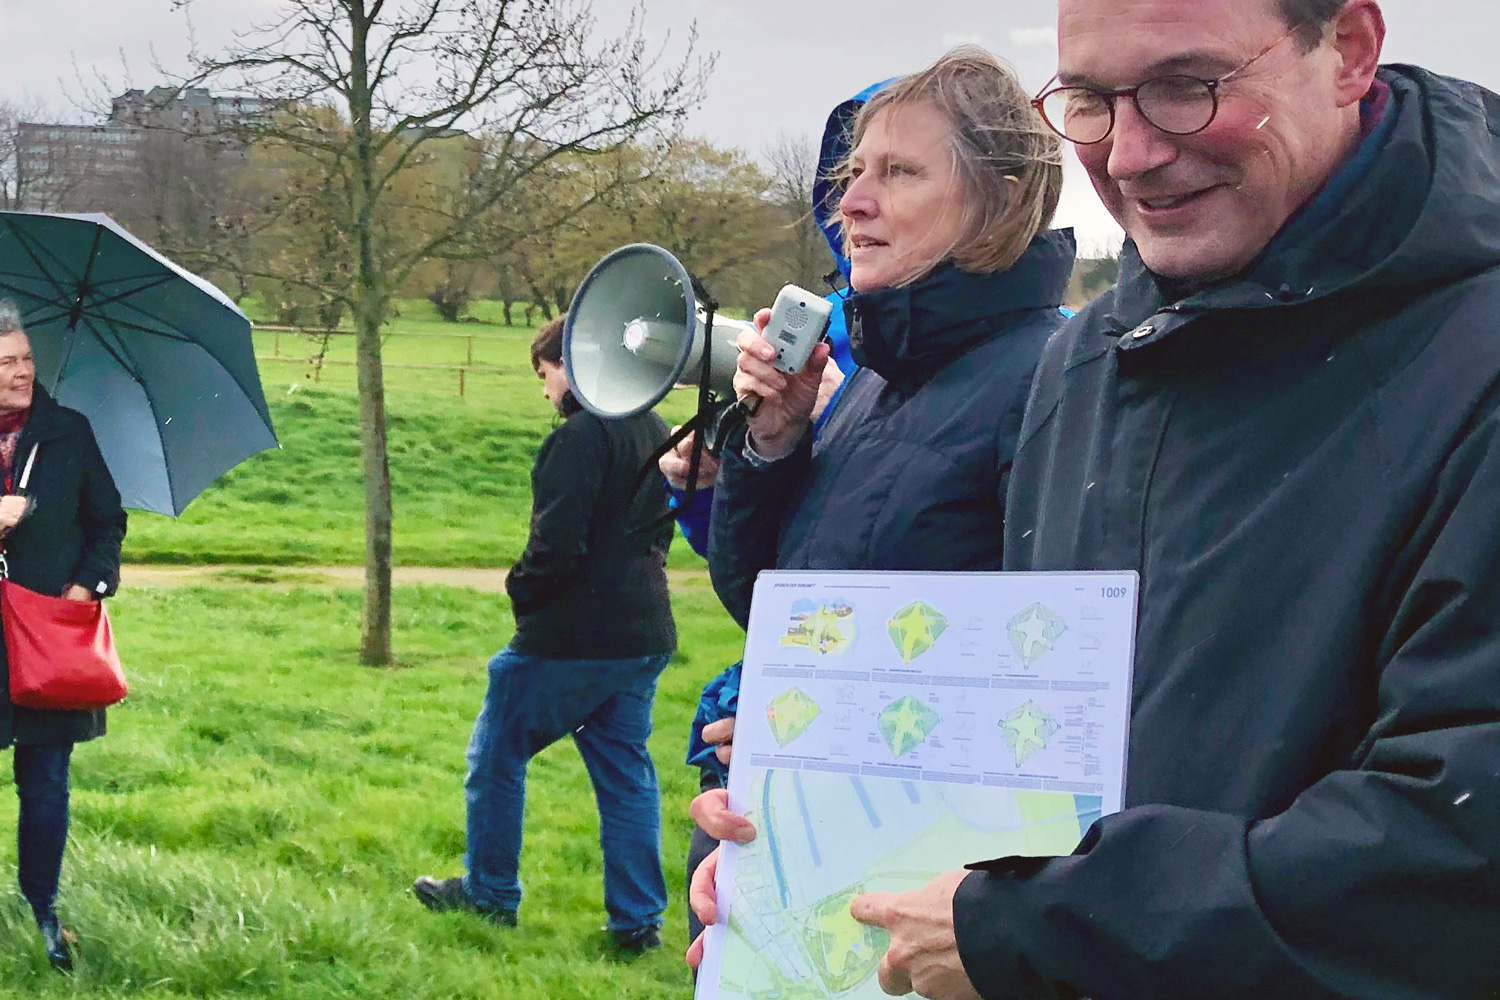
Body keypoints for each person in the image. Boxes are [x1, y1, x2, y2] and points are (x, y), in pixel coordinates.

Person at [838, 2, 1500, 998]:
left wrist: (1044, 931)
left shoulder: (1476, 363)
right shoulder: (1085, 360)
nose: (1133, 154)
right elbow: (1037, 738)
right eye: (1091, 101)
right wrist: (817, 843)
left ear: (1349, 52)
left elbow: (1460, 855)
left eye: (1187, 87)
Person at [686, 44, 1075, 961]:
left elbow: (1059, 695)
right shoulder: (873, 381)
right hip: (818, 860)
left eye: (896, 172)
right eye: (852, 174)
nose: (849, 204)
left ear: (1002, 196)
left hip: (938, 911)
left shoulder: (1058, 383)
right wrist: (774, 440)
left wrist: (837, 744)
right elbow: (766, 603)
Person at [413, 316, 677, 954]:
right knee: (625, 774)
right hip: (643, 633)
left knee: (496, 761)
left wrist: (520, 591)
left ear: (572, 362)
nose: (545, 390)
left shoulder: (578, 438)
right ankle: (637, 923)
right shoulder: (659, 429)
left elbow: (554, 547)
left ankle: (490, 894)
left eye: (545, 373)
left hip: (568, 639)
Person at [0, 300, 127, 973]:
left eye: (26, 359)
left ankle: (43, 908)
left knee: (46, 782)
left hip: (48, 637)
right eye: (7, 364)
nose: (23, 373)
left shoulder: (68, 433)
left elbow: (107, 524)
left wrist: (84, 590)